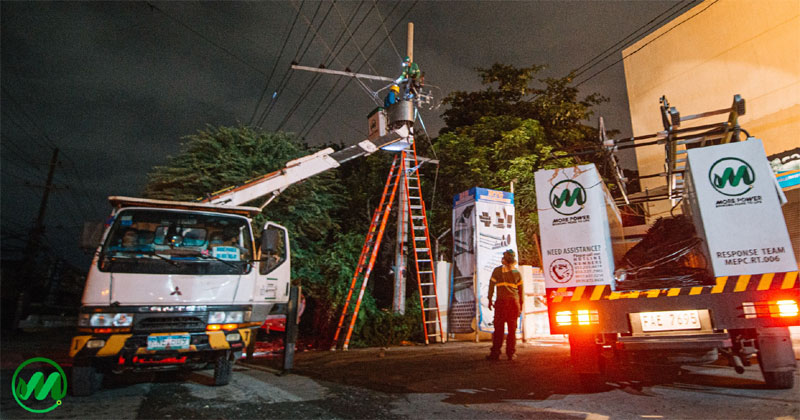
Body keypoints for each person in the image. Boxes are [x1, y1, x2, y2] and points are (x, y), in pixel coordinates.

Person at [486, 249, 524, 361]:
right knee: (512, 330)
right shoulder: (517, 273)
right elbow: (521, 291)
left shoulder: (497, 271)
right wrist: (521, 306)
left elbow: (491, 286)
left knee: (498, 330)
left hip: (501, 303)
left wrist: (489, 299)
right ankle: (511, 354)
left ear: (504, 259)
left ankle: (495, 353)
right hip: (513, 303)